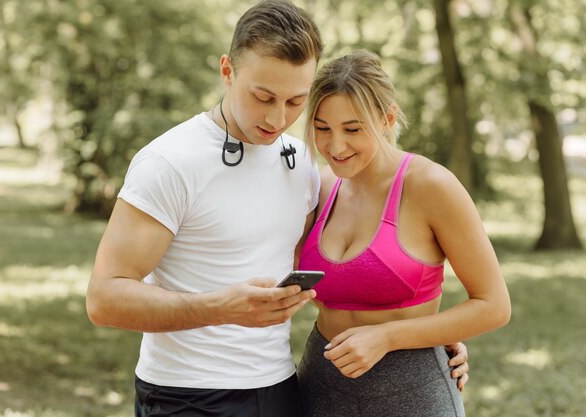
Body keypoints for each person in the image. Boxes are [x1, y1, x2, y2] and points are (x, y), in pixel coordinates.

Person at [85, 2, 470, 416]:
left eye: (295, 102)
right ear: (228, 71)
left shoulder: (301, 161)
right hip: (187, 395)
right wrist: (220, 307)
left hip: (282, 390)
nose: (277, 118)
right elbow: (104, 299)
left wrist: (424, 333)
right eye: (263, 96)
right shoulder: (170, 162)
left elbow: (343, 272)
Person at [296, 49, 512, 417]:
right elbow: (314, 288)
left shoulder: (431, 186)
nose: (335, 146)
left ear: (387, 118)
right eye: (322, 128)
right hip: (320, 385)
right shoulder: (319, 187)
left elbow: (494, 305)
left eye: (352, 129)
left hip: (411, 389)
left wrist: (389, 335)